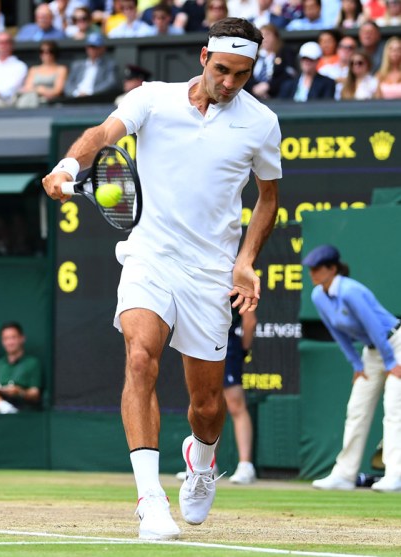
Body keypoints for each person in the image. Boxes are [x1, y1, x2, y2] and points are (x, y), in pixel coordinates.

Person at [42, 17, 281, 540]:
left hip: (211, 273)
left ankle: (202, 458)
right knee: (139, 357)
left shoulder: (262, 123)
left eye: (242, 74)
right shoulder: (151, 98)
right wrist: (67, 167)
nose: (230, 83)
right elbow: (102, 135)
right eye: (222, 69)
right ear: (203, 58)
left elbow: (268, 199)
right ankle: (150, 499)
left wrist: (245, 261)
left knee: (208, 408)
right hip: (149, 256)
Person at [303, 245, 401, 493]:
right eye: (311, 269)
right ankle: (344, 475)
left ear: (332, 269)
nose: (312, 273)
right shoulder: (318, 296)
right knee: (357, 410)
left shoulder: (350, 291)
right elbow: (337, 332)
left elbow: (374, 326)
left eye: (317, 268)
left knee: (394, 409)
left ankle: (395, 475)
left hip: (394, 345)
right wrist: (356, 364)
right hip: (372, 353)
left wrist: (391, 362)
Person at [223, 308, 257, 484]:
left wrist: (243, 350)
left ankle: (245, 466)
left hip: (228, 345)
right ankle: (203, 465)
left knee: (236, 405)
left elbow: (250, 321)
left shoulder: (240, 289)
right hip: (202, 343)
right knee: (205, 403)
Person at [63, 34, 119, 100]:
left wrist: (90, 93)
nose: (92, 50)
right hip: (75, 99)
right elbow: (68, 84)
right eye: (90, 47)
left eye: (95, 47)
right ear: (86, 48)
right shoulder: (77, 65)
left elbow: (111, 83)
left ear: (102, 48)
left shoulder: (109, 65)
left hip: (95, 99)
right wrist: (76, 93)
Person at [16, 39, 67, 108]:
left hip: (50, 103)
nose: (46, 54)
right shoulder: (33, 69)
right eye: (42, 51)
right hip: (31, 99)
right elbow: (27, 87)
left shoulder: (61, 69)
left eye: (50, 51)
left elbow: (57, 90)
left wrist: (41, 90)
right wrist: (39, 90)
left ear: (55, 53)